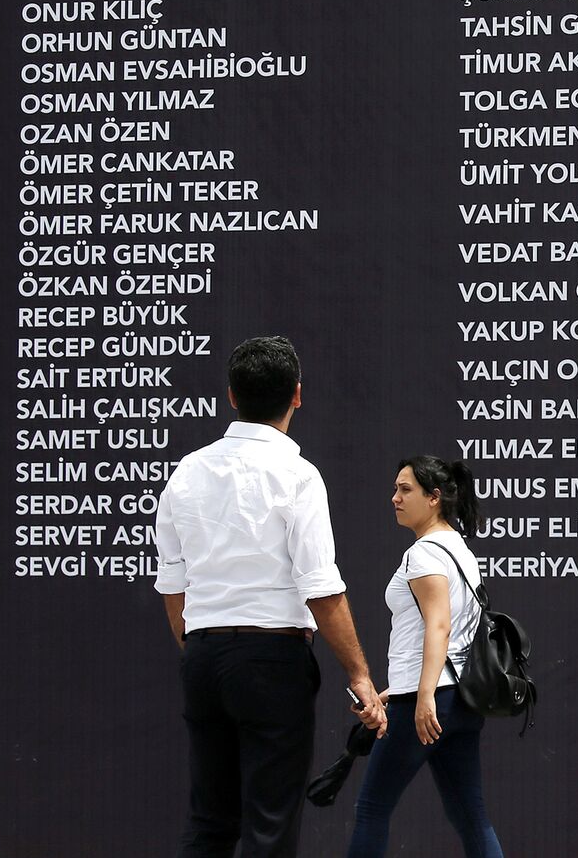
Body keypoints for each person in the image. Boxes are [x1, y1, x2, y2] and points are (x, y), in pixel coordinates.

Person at [155, 335, 388, 857]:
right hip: (272, 660)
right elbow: (321, 587)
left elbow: (172, 580)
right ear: (297, 395)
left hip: (204, 657)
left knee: (208, 823)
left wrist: (196, 649)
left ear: (231, 395)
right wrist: (359, 675)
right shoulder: (298, 475)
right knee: (269, 826)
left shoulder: (186, 471)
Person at [346, 456, 503, 857]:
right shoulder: (459, 549)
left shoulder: (424, 554)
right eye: (396, 489)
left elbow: (439, 626)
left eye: (405, 490)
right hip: (460, 701)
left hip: (427, 702)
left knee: (372, 808)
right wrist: (398, 689)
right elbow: (439, 632)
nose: (395, 498)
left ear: (434, 498)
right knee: (471, 816)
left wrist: (423, 695)